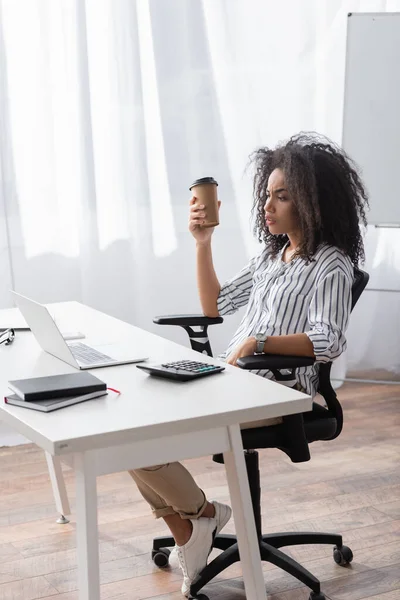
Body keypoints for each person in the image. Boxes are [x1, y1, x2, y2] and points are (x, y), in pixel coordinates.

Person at [129, 132, 369, 596]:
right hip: (234, 379)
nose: (268, 205)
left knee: (144, 434)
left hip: (278, 391)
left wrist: (259, 340)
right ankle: (198, 524)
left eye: (282, 196)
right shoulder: (270, 256)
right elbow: (216, 305)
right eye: (267, 194)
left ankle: (196, 527)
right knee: (132, 423)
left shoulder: (331, 265)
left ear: (312, 201)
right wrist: (203, 242)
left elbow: (329, 339)